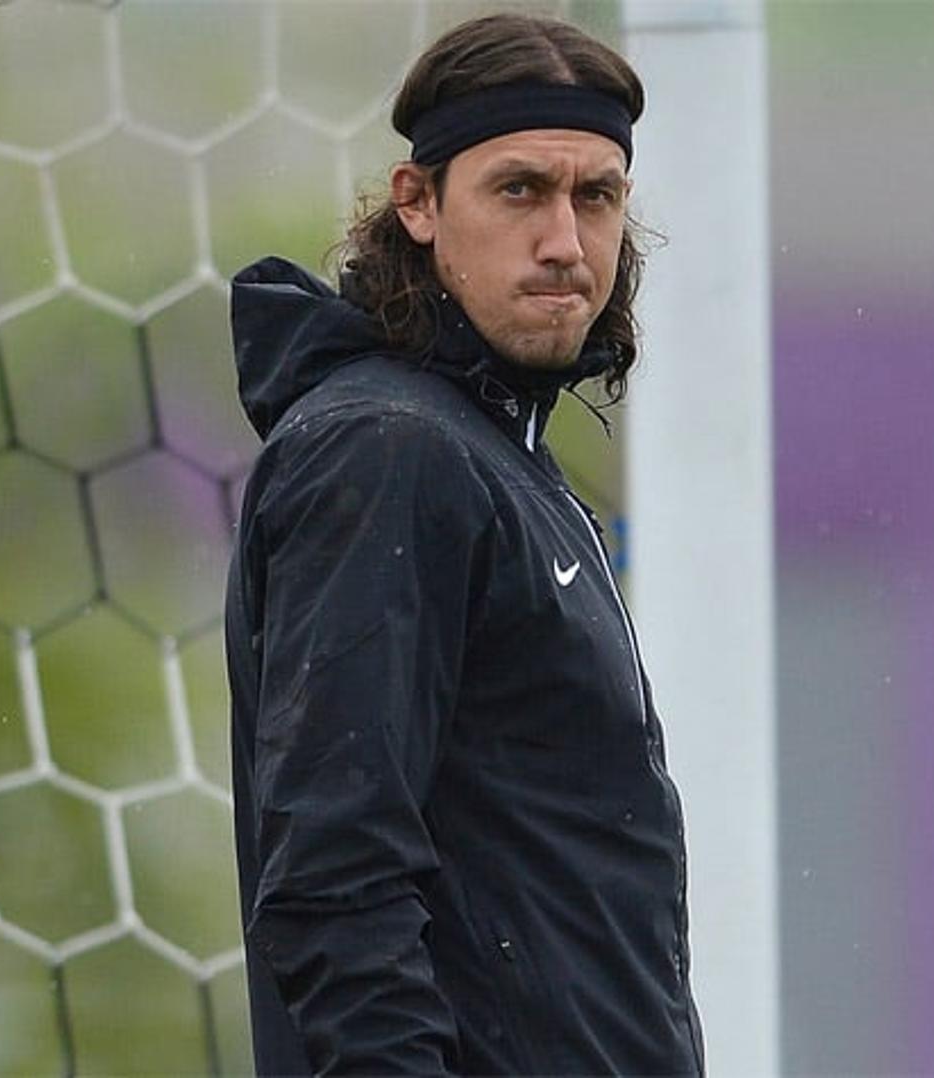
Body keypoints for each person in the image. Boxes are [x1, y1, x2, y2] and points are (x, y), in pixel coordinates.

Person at [223, 12, 704, 1075]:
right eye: (520, 189)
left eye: (598, 196)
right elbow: (334, 877)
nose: (565, 243)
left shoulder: (490, 455)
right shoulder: (388, 452)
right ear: (420, 204)